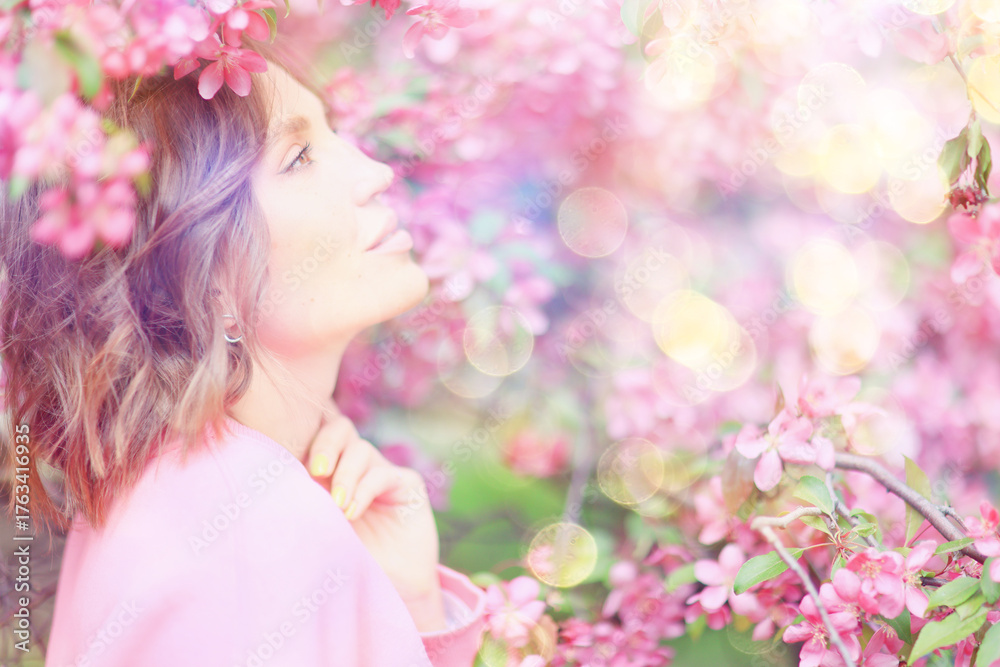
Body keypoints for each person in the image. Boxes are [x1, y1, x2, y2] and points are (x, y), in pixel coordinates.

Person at [0, 38, 486, 666]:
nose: (375, 173)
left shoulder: (190, 499)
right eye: (300, 156)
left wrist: (407, 598)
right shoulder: (249, 532)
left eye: (332, 134)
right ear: (202, 274)